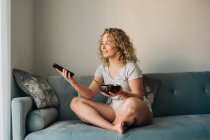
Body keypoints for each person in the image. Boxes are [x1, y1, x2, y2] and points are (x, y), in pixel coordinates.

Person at [56, 28, 152, 134]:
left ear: (119, 45)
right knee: (75, 102)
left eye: (107, 43)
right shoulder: (102, 68)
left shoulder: (131, 66)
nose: (103, 47)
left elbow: (139, 97)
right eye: (102, 43)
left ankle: (114, 124)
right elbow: (89, 94)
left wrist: (121, 93)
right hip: (112, 110)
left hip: (135, 109)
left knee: (131, 103)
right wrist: (72, 81)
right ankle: (113, 128)